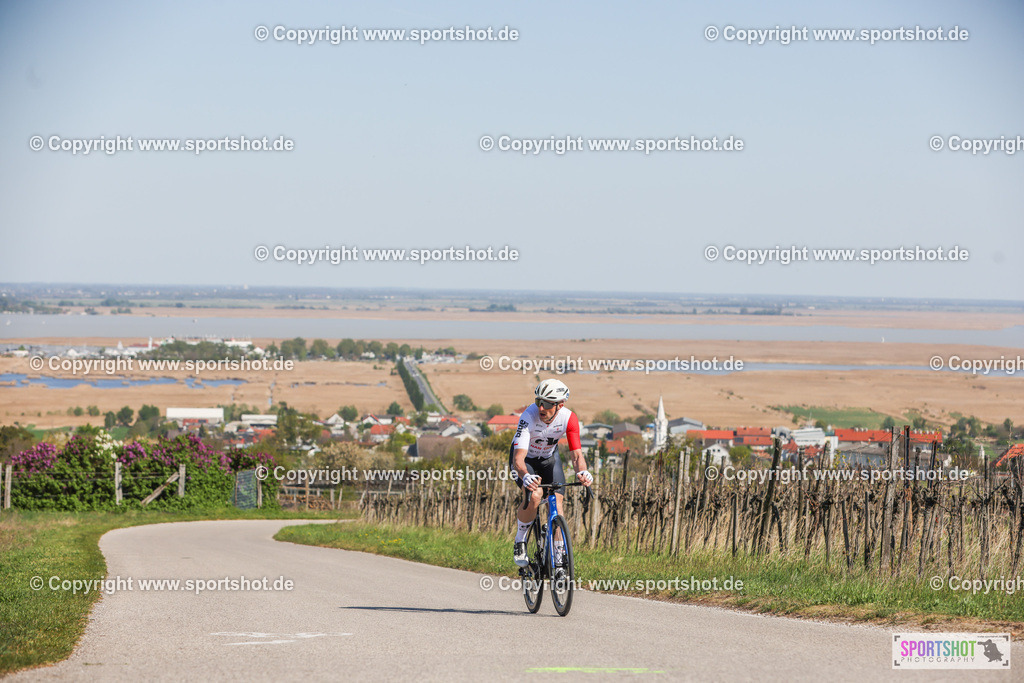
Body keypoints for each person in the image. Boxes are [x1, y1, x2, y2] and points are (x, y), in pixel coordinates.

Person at [509, 378, 592, 568]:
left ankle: (560, 558)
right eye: (539, 402)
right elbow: (518, 459)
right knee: (535, 496)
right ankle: (520, 540)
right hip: (526, 461)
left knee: (557, 503)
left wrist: (583, 472)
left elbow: (577, 454)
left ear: (559, 405)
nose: (541, 408)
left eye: (546, 403)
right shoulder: (528, 417)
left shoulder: (569, 418)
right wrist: (526, 476)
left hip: (548, 460)